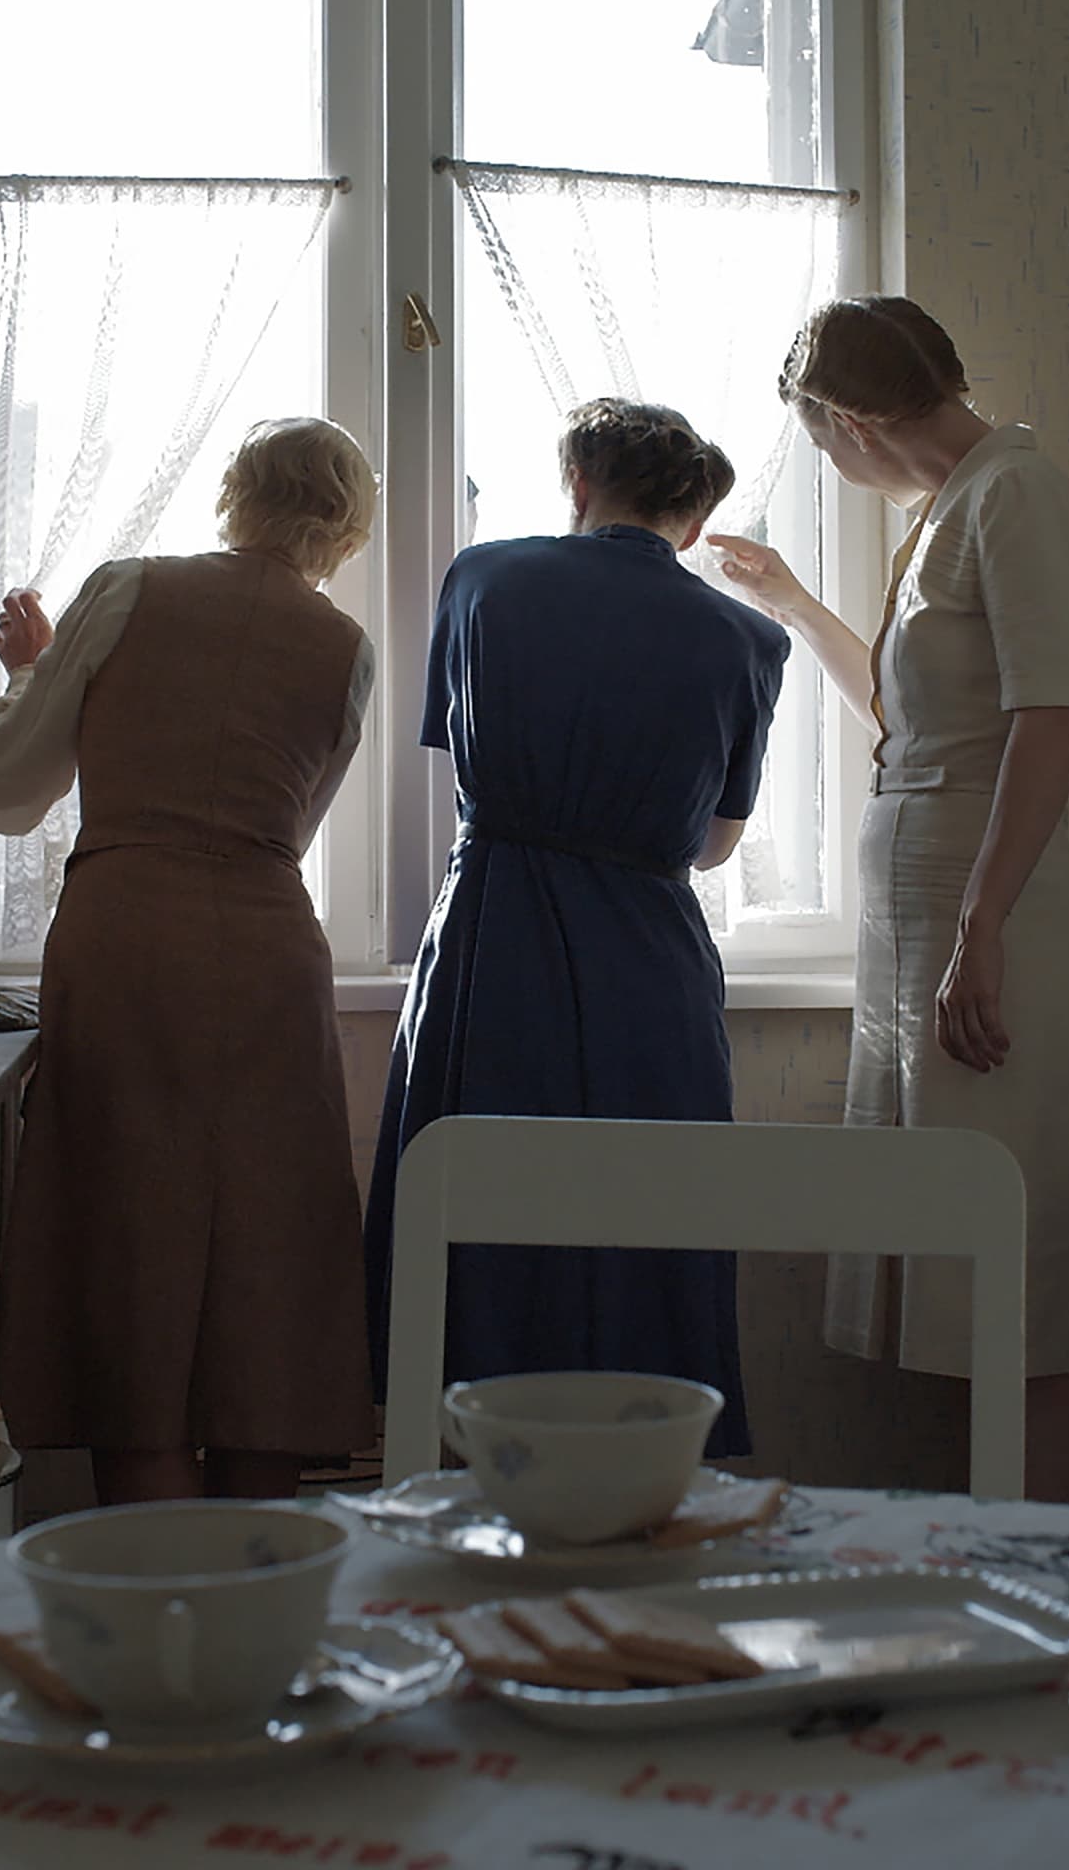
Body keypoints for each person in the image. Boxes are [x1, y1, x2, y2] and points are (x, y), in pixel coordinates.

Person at [710, 298, 1069, 1504]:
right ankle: (983, 1548)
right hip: (933, 925)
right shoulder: (948, 511)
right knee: (956, 1265)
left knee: (1027, 1276)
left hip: (994, 926)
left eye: (819, 442)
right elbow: (907, 722)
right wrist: (792, 601)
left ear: (849, 421)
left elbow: (1054, 718)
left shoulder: (1013, 495)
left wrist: (982, 928)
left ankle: (1044, 1564)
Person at [0, 416, 380, 1506]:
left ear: (237, 492)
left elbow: (11, 789)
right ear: (348, 527)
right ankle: (258, 1576)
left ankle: (153, 1584)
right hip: (270, 950)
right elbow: (293, 824)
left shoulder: (129, 589)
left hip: (128, 939)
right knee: (268, 1252)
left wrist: (28, 676)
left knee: (129, 1237)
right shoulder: (347, 648)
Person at [364, 399, 789, 1457]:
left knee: (475, 1227)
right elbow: (713, 845)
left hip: (493, 937)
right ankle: (643, 1488)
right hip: (651, 965)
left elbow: (460, 764)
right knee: (650, 1228)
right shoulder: (750, 639)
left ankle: (463, 1487)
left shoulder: (483, 580)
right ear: (695, 520)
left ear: (580, 485)